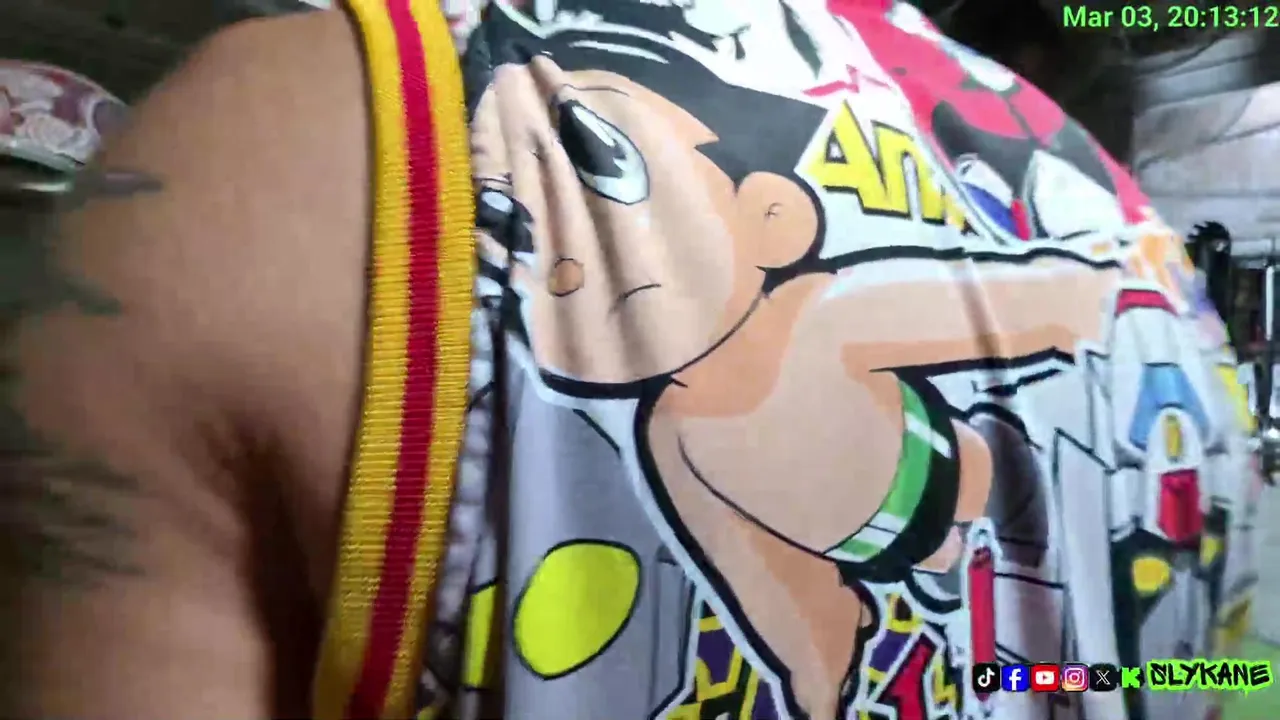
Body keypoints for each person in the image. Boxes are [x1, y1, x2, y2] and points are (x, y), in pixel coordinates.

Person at [0, 2, 1262, 720]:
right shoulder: (1140, 249)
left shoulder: (276, 162)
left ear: (773, 217)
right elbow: (766, 576)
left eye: (604, 164)